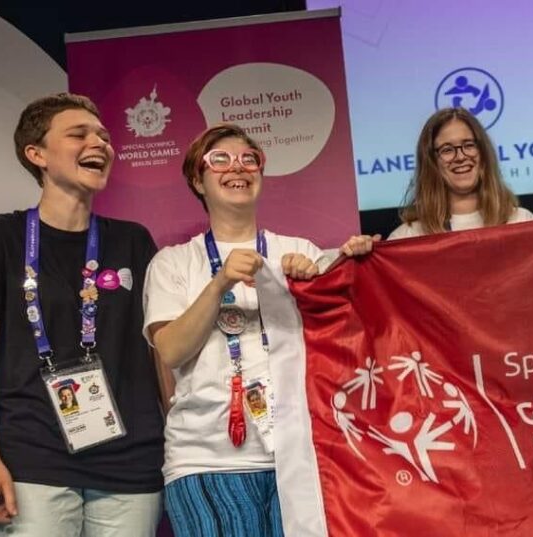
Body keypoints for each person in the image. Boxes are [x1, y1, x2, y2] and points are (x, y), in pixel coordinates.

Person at [0, 93, 165, 535]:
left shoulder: (133, 242)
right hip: (32, 461)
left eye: (103, 135)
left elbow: (161, 353)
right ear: (36, 154)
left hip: (130, 465)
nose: (99, 142)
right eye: (78, 134)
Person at [144, 123, 370, 536]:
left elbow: (345, 339)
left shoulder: (299, 252)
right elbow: (171, 351)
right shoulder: (173, 263)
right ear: (198, 179)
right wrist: (219, 284)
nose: (238, 167)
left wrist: (334, 271)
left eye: (250, 159)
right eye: (221, 160)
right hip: (207, 460)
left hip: (300, 454)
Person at [388, 107, 533, 239]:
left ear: (483, 153)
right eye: (447, 150)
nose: (460, 157)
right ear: (431, 162)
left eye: (469, 145)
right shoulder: (408, 237)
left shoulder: (522, 223)